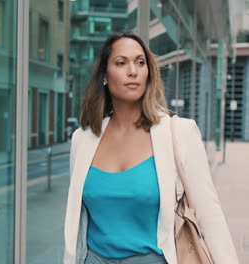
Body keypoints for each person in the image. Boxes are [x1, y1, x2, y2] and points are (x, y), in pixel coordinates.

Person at [63, 32, 238, 264]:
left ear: (148, 73)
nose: (132, 71)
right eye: (121, 63)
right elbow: (78, 221)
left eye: (140, 62)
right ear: (105, 75)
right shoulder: (82, 139)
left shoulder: (179, 133)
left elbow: (210, 214)